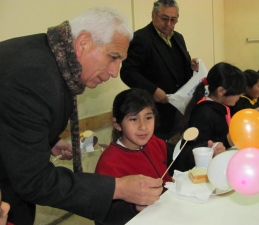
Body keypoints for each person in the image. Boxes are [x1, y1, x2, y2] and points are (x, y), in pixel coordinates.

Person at [0, 7, 163, 225]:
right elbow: (34, 180)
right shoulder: (34, 75)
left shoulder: (52, 58)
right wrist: (118, 187)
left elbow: (11, 120)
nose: (115, 72)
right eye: (113, 57)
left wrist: (48, 140)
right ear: (83, 43)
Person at [120, 0, 199, 141]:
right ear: (153, 15)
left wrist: (191, 67)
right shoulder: (141, 38)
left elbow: (175, 69)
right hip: (156, 112)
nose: (169, 24)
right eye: (164, 18)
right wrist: (153, 90)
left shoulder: (178, 38)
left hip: (180, 111)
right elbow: (128, 72)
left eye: (173, 20)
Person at [95, 88, 173, 225]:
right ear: (117, 125)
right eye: (133, 119)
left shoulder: (154, 142)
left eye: (148, 117)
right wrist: (134, 208)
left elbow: (179, 156)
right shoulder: (109, 163)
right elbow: (104, 216)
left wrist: (206, 149)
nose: (143, 126)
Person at [170, 62, 245, 173]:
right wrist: (227, 141)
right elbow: (198, 151)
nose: (239, 97)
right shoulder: (204, 113)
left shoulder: (220, 106)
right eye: (237, 93)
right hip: (205, 171)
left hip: (218, 163)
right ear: (221, 91)